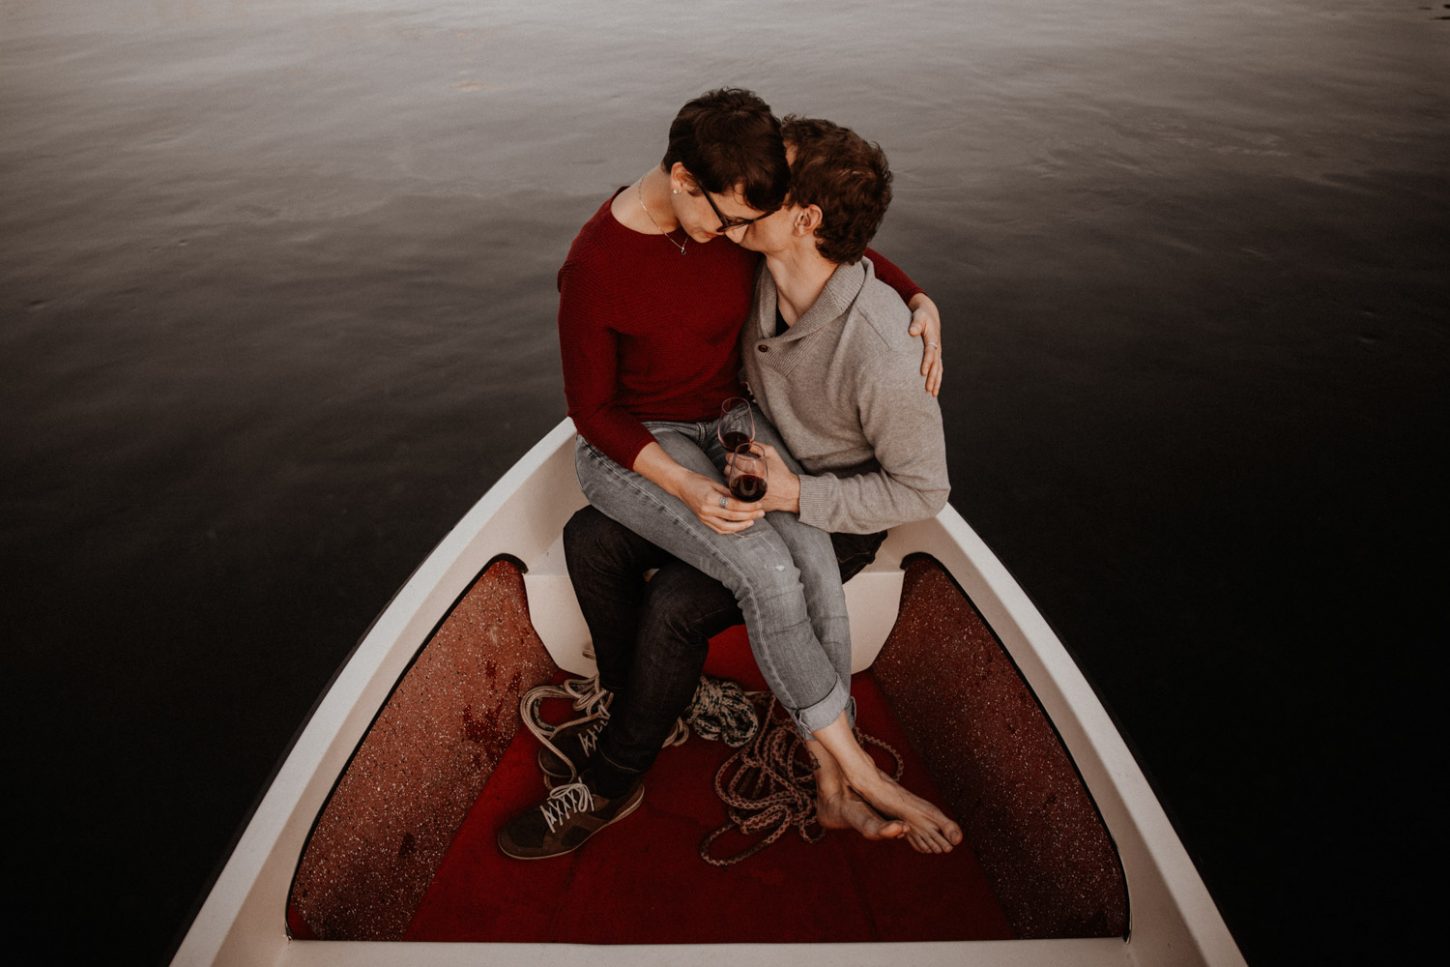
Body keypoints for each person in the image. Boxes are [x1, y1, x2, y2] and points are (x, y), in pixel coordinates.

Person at [497, 89, 947, 860]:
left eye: (750, 218)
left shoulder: (733, 218)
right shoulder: (608, 262)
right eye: (729, 218)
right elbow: (591, 410)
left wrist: (914, 293)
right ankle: (642, 749)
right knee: (611, 544)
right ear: (681, 178)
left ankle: (825, 773)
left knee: (720, 570)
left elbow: (835, 250)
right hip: (646, 442)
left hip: (734, 426)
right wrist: (684, 484)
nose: (734, 234)